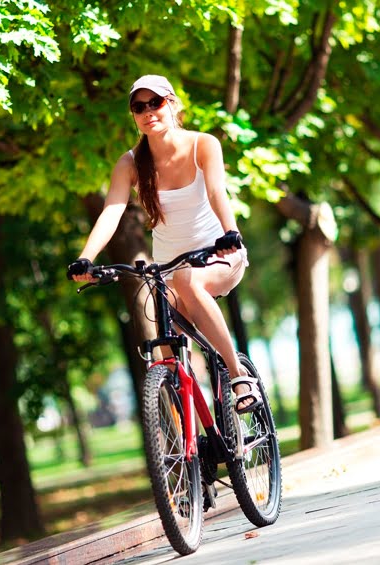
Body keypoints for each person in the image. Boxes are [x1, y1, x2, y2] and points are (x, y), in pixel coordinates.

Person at [67, 74, 261, 414]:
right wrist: (86, 258)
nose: (148, 112)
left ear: (173, 104)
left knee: (189, 281)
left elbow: (217, 192)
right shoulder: (130, 164)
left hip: (218, 254)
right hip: (169, 268)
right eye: (138, 107)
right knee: (168, 356)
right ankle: (195, 444)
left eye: (155, 102)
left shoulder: (203, 144)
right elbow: (112, 211)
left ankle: (238, 375)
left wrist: (231, 233)